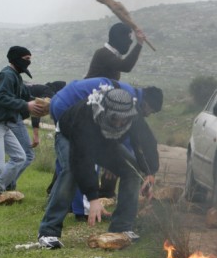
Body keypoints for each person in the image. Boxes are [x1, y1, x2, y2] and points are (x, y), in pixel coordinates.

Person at [38, 88, 159, 249]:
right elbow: (81, 159)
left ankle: (122, 227)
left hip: (106, 142)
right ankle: (48, 231)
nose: (120, 123)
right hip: (69, 137)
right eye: (115, 118)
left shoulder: (133, 116)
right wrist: (93, 198)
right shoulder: (86, 116)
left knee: (131, 171)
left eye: (125, 119)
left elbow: (146, 142)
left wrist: (150, 172)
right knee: (71, 172)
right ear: (106, 111)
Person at [85, 22, 147, 198]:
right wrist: (139, 44)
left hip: (100, 110)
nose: (129, 43)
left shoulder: (110, 56)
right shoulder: (103, 54)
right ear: (119, 38)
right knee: (86, 153)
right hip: (89, 109)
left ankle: (105, 193)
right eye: (128, 39)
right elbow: (126, 66)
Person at [0, 46, 47, 200]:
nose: (29, 62)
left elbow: (26, 95)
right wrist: (26, 106)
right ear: (16, 58)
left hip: (4, 124)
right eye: (26, 59)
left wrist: (43, 105)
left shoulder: (16, 76)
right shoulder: (7, 75)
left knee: (20, 157)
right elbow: (2, 97)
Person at [6, 81, 66, 191]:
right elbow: (37, 109)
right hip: (14, 117)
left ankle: (7, 183)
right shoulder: (50, 93)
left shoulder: (39, 87)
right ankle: (7, 183)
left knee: (16, 154)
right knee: (28, 155)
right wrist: (36, 134)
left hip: (8, 114)